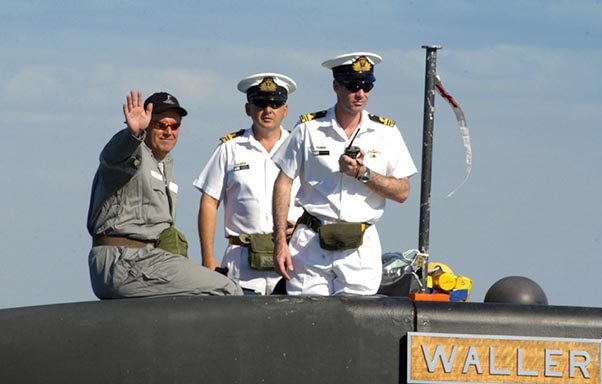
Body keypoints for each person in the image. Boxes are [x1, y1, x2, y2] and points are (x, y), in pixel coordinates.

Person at [272, 52, 418, 295]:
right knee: (306, 320)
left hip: (359, 246)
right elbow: (283, 183)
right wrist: (279, 242)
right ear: (336, 86)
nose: (360, 94)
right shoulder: (308, 128)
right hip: (311, 242)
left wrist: (363, 173)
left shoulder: (386, 133)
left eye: (367, 86)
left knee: (355, 322)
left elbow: (402, 192)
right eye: (352, 86)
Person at [87, 90, 242, 299]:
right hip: (123, 261)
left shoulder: (164, 163)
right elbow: (113, 157)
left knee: (195, 295)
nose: (168, 131)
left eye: (174, 126)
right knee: (227, 289)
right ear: (147, 125)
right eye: (161, 125)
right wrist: (132, 135)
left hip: (146, 261)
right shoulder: (132, 154)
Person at [193, 73, 303, 295]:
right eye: (260, 103)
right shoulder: (230, 149)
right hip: (241, 263)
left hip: (293, 261)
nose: (268, 110)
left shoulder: (300, 146)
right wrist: (208, 258)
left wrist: (302, 225)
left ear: (285, 110)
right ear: (248, 109)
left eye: (275, 103)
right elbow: (209, 201)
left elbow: (318, 196)